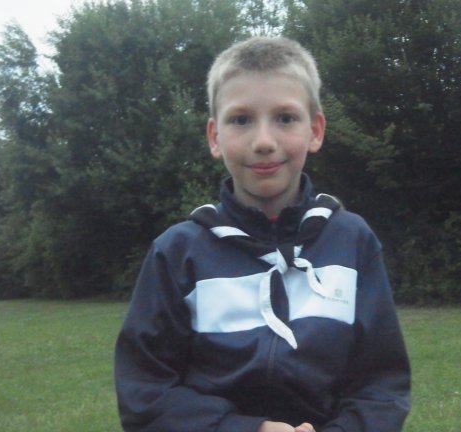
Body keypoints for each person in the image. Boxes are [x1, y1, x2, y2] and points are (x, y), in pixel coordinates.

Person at [114, 37, 411, 432]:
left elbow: (382, 385)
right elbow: (144, 394)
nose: (264, 142)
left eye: (285, 118)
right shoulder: (178, 252)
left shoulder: (352, 240)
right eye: (241, 120)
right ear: (215, 137)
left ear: (315, 130)